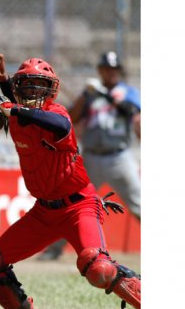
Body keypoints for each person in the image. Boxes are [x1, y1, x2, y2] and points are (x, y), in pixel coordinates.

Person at [0, 51, 141, 309]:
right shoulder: (18, 116)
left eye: (40, 86)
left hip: (79, 205)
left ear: (52, 90)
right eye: (28, 86)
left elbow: (61, 124)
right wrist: (2, 78)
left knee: (99, 269)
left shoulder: (55, 115)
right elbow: (18, 102)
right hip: (44, 211)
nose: (33, 92)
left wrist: (15, 108)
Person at [37, 51, 141, 261]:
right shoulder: (91, 93)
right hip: (91, 158)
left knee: (140, 203)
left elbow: (131, 111)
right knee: (72, 202)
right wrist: (85, 96)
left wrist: (103, 94)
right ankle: (54, 249)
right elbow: (72, 118)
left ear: (118, 71)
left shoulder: (127, 92)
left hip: (120, 157)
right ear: (100, 71)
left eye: (113, 69)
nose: (109, 73)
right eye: (105, 69)